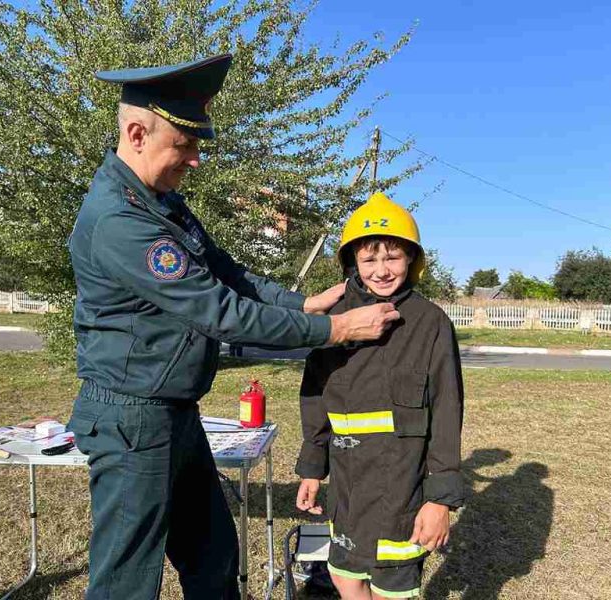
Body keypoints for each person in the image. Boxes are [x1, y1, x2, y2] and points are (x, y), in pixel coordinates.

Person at [66, 53, 401, 600]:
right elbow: (219, 309)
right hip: (133, 419)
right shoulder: (119, 219)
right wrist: (336, 331)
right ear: (136, 133)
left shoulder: (161, 204)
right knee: (126, 580)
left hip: (174, 413)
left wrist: (304, 304)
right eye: (185, 144)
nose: (195, 160)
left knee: (214, 557)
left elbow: (228, 272)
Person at [295, 191, 466, 599]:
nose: (382, 270)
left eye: (392, 257)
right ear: (353, 261)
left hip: (402, 486)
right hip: (348, 485)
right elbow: (316, 396)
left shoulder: (431, 323)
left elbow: (447, 410)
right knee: (344, 574)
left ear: (412, 259)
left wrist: (439, 500)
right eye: (370, 259)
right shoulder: (336, 318)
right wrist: (312, 468)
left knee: (394, 587)